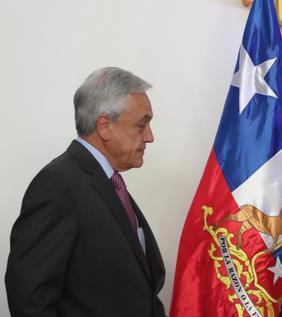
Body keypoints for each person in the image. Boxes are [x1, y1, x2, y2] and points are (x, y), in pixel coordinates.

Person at [5, 67, 166, 317]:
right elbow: (30, 300)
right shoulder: (57, 186)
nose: (150, 137)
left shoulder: (109, 183)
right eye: (141, 124)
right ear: (104, 126)